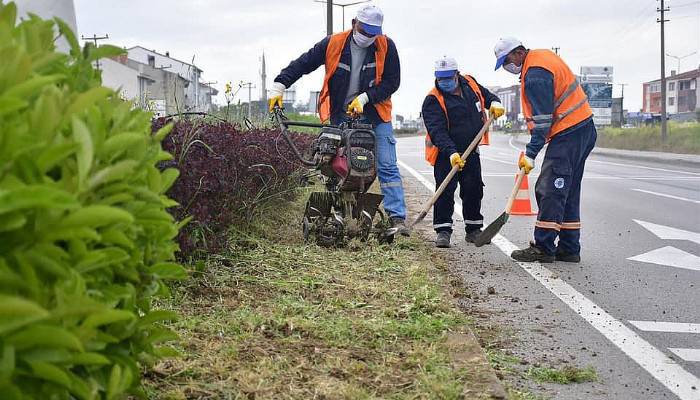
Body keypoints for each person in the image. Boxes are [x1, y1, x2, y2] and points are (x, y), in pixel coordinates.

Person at [269, 5, 409, 236]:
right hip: (340, 115)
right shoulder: (333, 43)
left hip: (376, 115)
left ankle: (397, 218)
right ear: (355, 23)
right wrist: (279, 85)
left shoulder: (386, 45)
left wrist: (365, 98)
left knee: (386, 165)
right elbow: (303, 63)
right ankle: (340, 210)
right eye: (364, 30)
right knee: (335, 164)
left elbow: (392, 82)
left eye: (373, 33)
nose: (368, 36)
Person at [493, 37, 597, 263]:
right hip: (583, 128)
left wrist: (530, 153)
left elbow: (542, 122)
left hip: (569, 132)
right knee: (567, 190)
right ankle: (569, 248)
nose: (506, 67)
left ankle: (543, 247)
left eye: (506, 60)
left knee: (550, 189)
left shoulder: (535, 74)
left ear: (519, 53)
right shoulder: (542, 57)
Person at [421, 56, 504, 248]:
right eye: (441, 79)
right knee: (445, 191)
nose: (444, 82)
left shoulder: (470, 83)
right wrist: (451, 153)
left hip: (471, 149)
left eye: (448, 78)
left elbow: (487, 96)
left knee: (474, 188)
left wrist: (495, 103)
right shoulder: (433, 99)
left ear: (457, 75)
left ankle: (473, 229)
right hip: (446, 154)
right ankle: (443, 231)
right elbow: (437, 131)